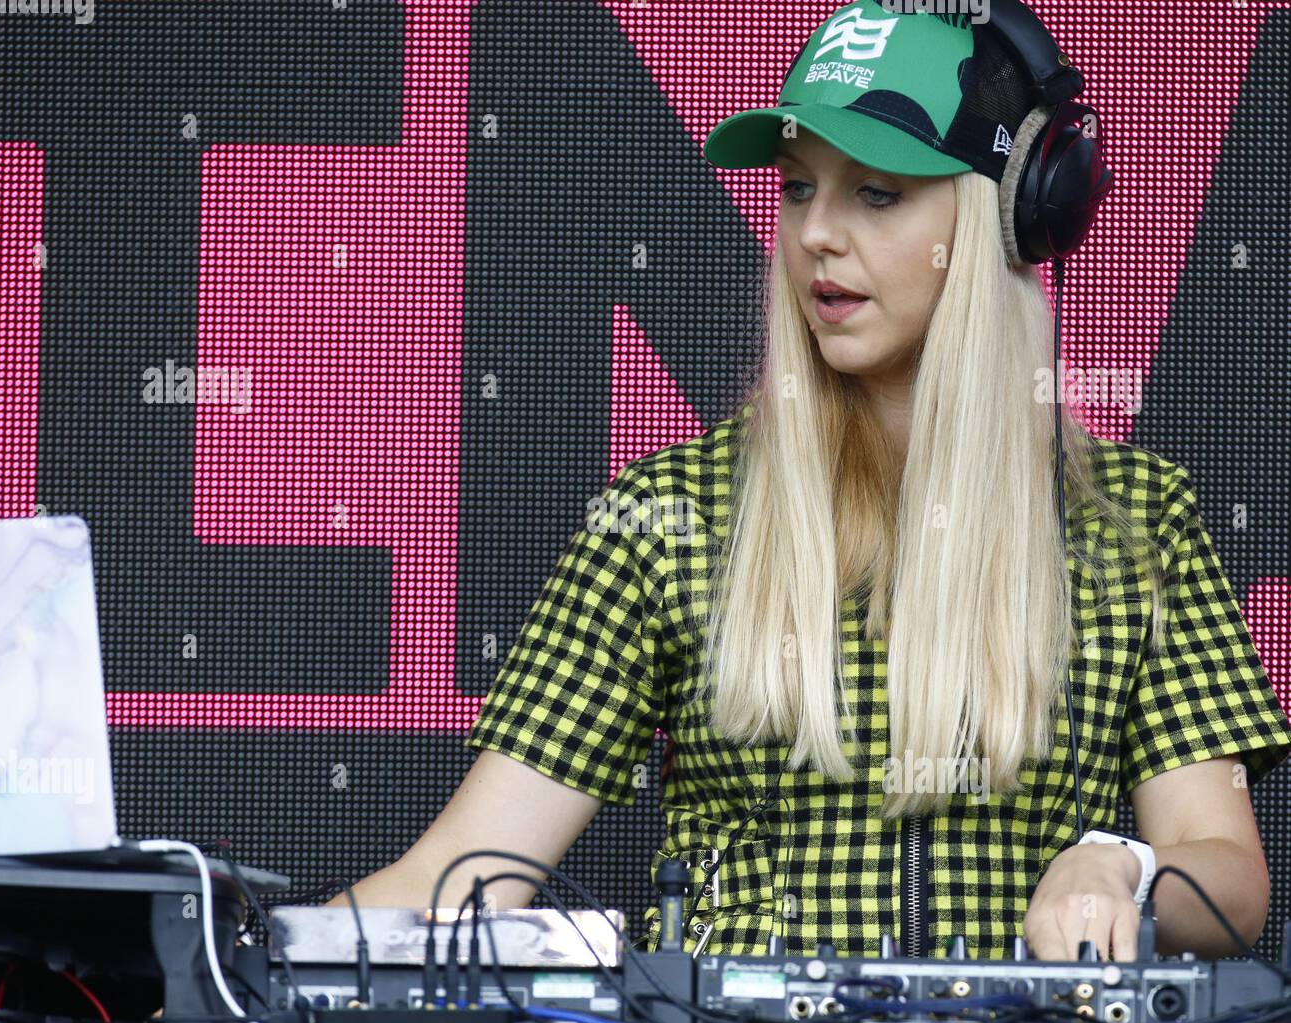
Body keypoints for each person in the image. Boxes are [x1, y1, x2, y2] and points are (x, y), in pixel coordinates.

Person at [330, 2, 1291, 962]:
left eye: (875, 193)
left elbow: (1230, 875)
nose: (816, 235)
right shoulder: (671, 514)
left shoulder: (1130, 521)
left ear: (1006, 216)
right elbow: (459, 869)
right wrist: (227, 969)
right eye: (797, 190)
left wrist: (1119, 863)